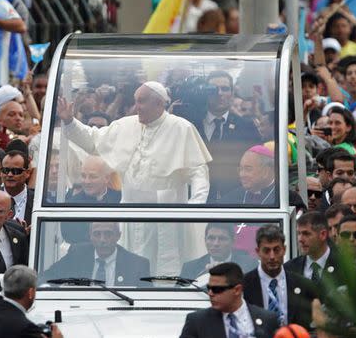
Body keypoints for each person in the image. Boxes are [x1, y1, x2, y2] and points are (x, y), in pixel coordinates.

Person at [57, 81, 211, 275]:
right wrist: (70, 121)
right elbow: (93, 140)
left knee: (164, 272)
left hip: (168, 217)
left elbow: (198, 171)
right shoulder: (125, 125)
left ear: (159, 104)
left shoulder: (181, 128)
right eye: (136, 101)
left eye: (142, 101)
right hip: (130, 215)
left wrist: (195, 205)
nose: (136, 106)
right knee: (129, 271)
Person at [195, 70, 262, 201]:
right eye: (213, 89)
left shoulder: (246, 127)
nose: (219, 93)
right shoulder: (192, 124)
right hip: (196, 199)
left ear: (232, 93)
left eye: (225, 89)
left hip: (235, 200)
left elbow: (257, 165)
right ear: (205, 92)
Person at [242, 225, 316, 329]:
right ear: (258, 252)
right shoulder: (244, 284)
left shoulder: (303, 285)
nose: (272, 257)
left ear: (284, 250)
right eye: (266, 251)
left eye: (276, 250)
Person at [44, 222, 150, 286]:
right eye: (97, 234)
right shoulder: (77, 255)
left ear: (118, 236)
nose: (102, 240)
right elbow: (47, 276)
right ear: (90, 236)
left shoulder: (137, 264)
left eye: (108, 234)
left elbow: (147, 298)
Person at [181, 223, 256, 279]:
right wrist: (203, 277)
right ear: (205, 240)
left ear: (233, 241)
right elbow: (179, 295)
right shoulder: (190, 268)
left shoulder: (250, 264)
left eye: (222, 239)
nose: (216, 244)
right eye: (211, 238)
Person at [284, 212, 338, 282]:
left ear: (323, 234)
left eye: (306, 234)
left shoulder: (343, 267)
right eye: (298, 233)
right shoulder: (289, 269)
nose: (300, 239)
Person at [1, 150, 34, 224]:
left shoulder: (36, 200)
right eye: (5, 170)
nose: (9, 174)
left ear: (27, 173)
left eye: (15, 171)